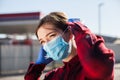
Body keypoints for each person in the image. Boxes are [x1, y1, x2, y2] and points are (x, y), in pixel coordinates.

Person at [24, 12, 115, 80]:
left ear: (70, 32)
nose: (47, 44)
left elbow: (100, 71)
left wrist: (84, 33)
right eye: (42, 41)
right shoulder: (53, 76)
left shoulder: (87, 70)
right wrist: (38, 67)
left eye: (51, 36)